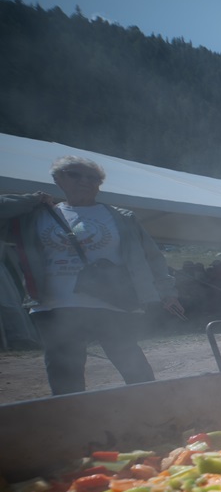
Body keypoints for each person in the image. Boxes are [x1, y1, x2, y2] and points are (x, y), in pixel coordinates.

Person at [0, 155, 183, 395]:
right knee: (65, 371)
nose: (84, 181)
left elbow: (152, 258)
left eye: (92, 177)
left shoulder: (121, 217)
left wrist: (167, 291)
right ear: (58, 179)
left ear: (100, 183)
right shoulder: (36, 215)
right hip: (55, 304)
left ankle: (152, 410)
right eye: (74, 174)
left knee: (132, 363)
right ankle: (75, 421)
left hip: (112, 300)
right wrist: (30, 200)